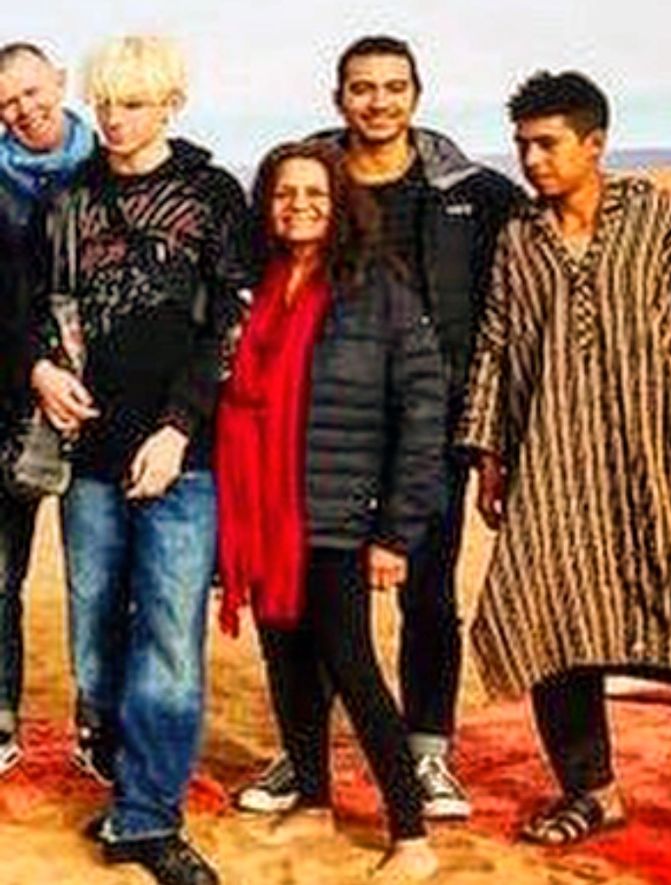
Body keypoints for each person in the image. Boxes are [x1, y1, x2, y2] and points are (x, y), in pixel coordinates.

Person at [236, 34, 522, 821]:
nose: (379, 102)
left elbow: (522, 287)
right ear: (339, 99)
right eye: (362, 88)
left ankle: (426, 753)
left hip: (429, 426)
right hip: (324, 432)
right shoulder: (309, 186)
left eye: (394, 87)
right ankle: (305, 755)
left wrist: (493, 435)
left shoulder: (471, 193)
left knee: (427, 592)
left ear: (417, 95)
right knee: (320, 604)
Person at [460, 69, 671, 855]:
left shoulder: (652, 218)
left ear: (595, 143)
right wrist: (489, 453)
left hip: (654, 463)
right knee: (547, 621)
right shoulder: (520, 236)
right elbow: (497, 346)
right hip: (551, 467)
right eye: (522, 145)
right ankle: (592, 789)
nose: (533, 159)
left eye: (547, 143)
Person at [31, 36, 249, 885]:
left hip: (181, 459)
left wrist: (181, 427)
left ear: (170, 103)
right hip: (91, 458)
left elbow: (233, 317)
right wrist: (46, 368)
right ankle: (131, 787)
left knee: (167, 642)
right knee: (94, 648)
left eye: (135, 102)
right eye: (107, 102)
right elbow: (45, 310)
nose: (116, 119)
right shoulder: (68, 202)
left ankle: (150, 818)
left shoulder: (209, 193)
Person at [215, 139, 443, 880]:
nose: (299, 205)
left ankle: (411, 834)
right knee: (288, 664)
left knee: (351, 665)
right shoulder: (262, 281)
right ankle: (313, 798)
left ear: (340, 201)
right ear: (267, 204)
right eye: (284, 193)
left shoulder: (379, 287)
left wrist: (395, 528)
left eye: (314, 192)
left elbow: (422, 407)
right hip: (265, 514)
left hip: (341, 511)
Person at [0, 41, 95, 776]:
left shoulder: (112, 168)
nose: (25, 109)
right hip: (10, 400)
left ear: (61, 83)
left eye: (33, 92)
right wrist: (31, 366)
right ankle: (0, 717)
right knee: (1, 574)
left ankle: (97, 727)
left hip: (102, 406)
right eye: (7, 103)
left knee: (97, 575)